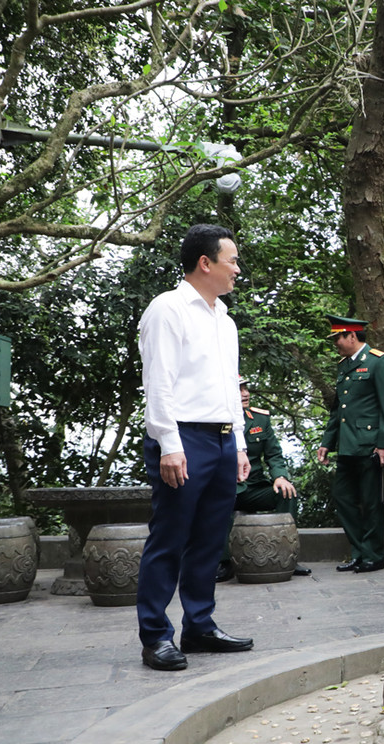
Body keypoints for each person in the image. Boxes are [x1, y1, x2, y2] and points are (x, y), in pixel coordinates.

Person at [135, 223, 253, 671]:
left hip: (222, 439)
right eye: (233, 260)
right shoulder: (168, 309)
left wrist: (239, 443)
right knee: (169, 538)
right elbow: (159, 383)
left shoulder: (224, 318)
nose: (237, 269)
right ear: (206, 263)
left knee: (209, 539)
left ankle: (199, 625)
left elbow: (229, 388)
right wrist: (168, 444)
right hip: (183, 437)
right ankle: (155, 636)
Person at [318, 314, 384, 573]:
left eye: (338, 337)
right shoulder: (344, 365)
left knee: (371, 501)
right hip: (347, 445)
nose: (335, 343)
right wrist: (326, 443)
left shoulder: (378, 361)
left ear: (352, 336)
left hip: (369, 445)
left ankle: (373, 555)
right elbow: (337, 410)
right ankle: (359, 551)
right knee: (343, 497)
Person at [216, 375, 311, 581]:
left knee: (286, 493)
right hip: (225, 487)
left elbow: (274, 455)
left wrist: (280, 477)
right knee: (220, 500)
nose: (246, 393)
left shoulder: (259, 419)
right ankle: (224, 562)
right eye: (239, 389)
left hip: (252, 488)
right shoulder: (215, 420)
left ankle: (287, 556)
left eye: (246, 388)